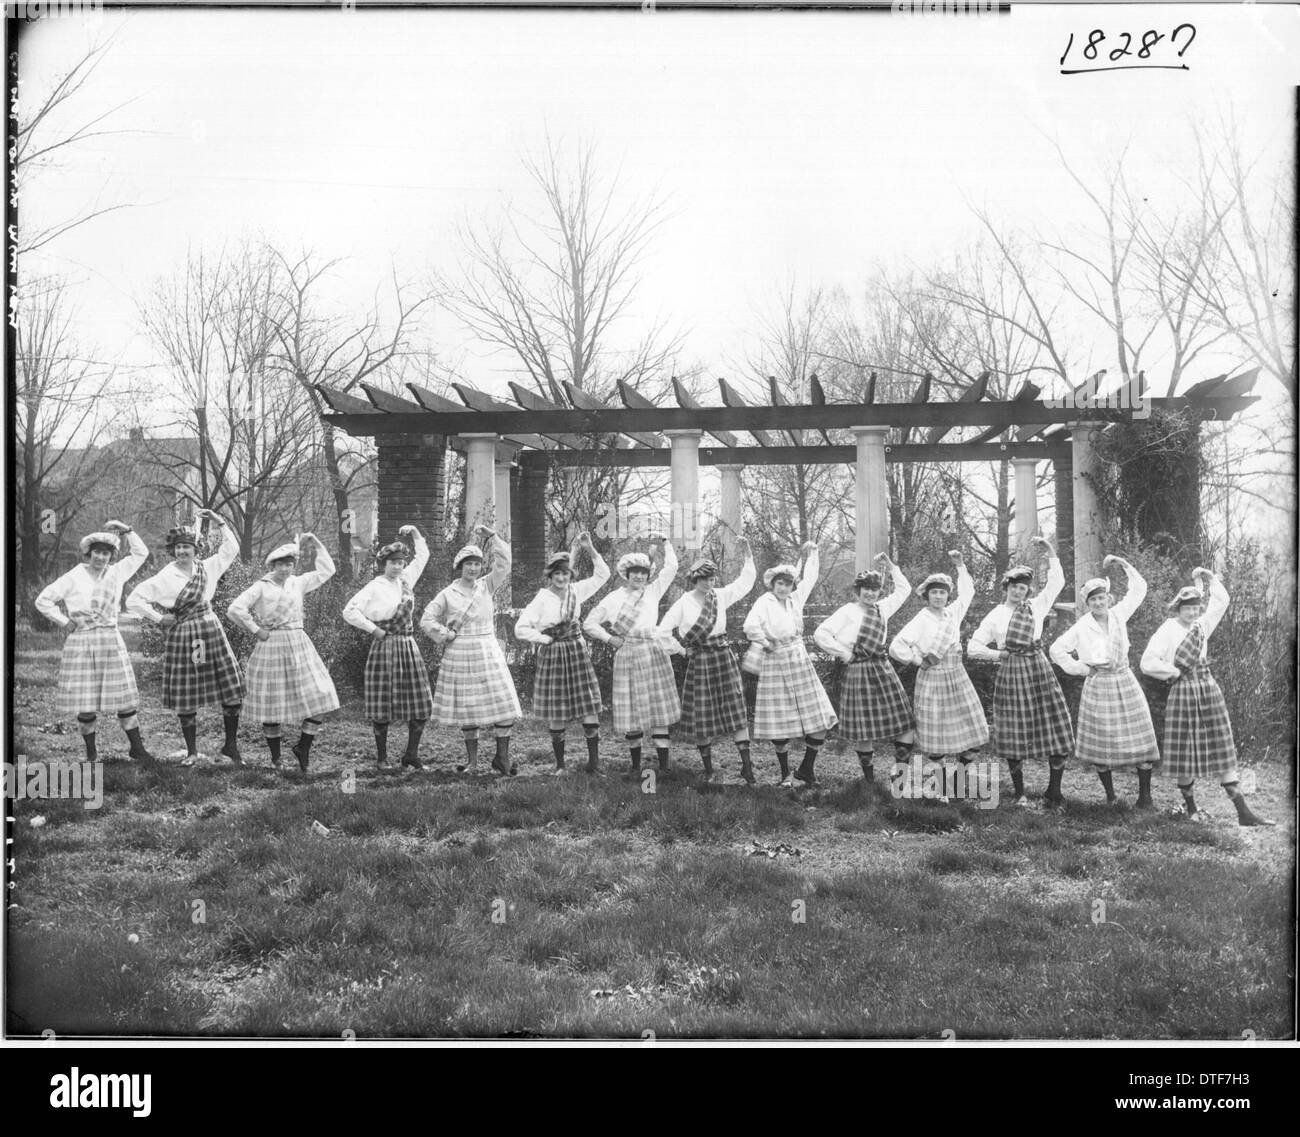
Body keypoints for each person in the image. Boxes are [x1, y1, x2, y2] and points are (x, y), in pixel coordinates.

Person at [1140, 568, 1273, 826]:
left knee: (1221, 746)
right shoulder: (1167, 629)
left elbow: (1222, 601)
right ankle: (1191, 809)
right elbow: (1147, 662)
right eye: (1187, 608)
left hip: (1208, 689)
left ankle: (1243, 812)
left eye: (1196, 608)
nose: (1192, 612)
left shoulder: (1201, 626)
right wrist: (1173, 671)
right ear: (1178, 609)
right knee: (1184, 749)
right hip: (1183, 691)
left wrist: (1210, 578)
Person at [125, 510, 244, 765]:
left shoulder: (208, 567)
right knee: (187, 694)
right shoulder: (166, 576)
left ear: (195, 549)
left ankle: (230, 747)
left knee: (231, 690)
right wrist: (158, 618)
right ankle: (191, 752)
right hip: (184, 634)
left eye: (187, 547)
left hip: (211, 630)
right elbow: (133, 599)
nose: (182, 552)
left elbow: (232, 549)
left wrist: (220, 521)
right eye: (178, 547)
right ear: (173, 550)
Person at [36, 520, 155, 763]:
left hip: (110, 638)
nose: (101, 557)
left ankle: (137, 748)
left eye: (106, 553)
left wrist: (125, 529)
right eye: (97, 552)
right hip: (83, 640)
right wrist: (64, 621)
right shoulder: (73, 576)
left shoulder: (116, 572)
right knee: (86, 699)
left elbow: (141, 553)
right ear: (88, 554)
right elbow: (43, 600)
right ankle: (91, 754)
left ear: (111, 556)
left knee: (124, 697)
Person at [967, 536, 1073, 808]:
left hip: (1038, 669)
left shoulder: (1036, 606)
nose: (1018, 592)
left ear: (1028, 591)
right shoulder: (996, 615)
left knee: (1054, 723)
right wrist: (998, 654)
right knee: (1014, 728)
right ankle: (1020, 793)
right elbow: (973, 647)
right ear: (1006, 588)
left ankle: (1054, 791)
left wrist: (1050, 551)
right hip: (1012, 672)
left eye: (1023, 588)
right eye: (1014, 587)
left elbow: (1057, 582)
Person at [1049, 554, 1159, 807]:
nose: (1098, 603)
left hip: (1124, 679)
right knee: (1102, 743)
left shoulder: (1119, 614)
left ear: (1109, 599)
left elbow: (1139, 589)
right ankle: (1110, 796)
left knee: (1141, 737)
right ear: (1087, 604)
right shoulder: (1081, 626)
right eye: (1093, 600)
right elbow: (1056, 649)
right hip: (1098, 684)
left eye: (1102, 598)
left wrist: (1122, 563)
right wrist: (1081, 669)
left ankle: (1145, 797)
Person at [226, 534, 340, 771]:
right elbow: (235, 609)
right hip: (272, 644)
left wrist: (316, 543)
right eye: (280, 564)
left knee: (321, 695)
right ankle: (276, 758)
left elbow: (327, 571)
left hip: (298, 643)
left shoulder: (298, 583)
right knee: (272, 702)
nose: (285, 569)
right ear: (272, 565)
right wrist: (256, 629)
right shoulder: (261, 586)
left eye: (289, 564)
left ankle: (303, 748)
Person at [421, 525, 521, 777]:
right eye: (468, 564)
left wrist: (493, 537)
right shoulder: (448, 593)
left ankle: (501, 757)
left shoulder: (487, 585)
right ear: (460, 566)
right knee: (469, 708)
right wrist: (445, 634)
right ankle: (472, 762)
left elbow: (505, 562)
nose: (473, 568)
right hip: (460, 652)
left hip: (487, 649)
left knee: (504, 704)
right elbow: (426, 619)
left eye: (477, 564)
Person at [888, 550, 988, 796]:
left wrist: (960, 565)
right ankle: (942, 788)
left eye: (942, 592)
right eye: (934, 592)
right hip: (932, 678)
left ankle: (957, 780)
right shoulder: (921, 619)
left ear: (947, 595)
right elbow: (896, 646)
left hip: (957, 676)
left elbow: (968, 593)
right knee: (936, 738)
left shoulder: (952, 613)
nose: (939, 596)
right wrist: (917, 660)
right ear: (927, 595)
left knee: (975, 733)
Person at [657, 536, 756, 784]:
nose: (709, 583)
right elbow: (662, 632)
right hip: (700, 659)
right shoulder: (683, 602)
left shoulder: (719, 596)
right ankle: (709, 770)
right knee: (703, 714)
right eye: (704, 579)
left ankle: (747, 768)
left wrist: (747, 554)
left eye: (712, 579)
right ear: (694, 579)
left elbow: (745, 583)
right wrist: (682, 651)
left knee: (736, 709)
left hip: (723, 656)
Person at [814, 552, 916, 788]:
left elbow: (904, 589)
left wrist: (891, 566)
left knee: (905, 722)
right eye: (866, 589)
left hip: (882, 668)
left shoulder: (882, 608)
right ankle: (869, 781)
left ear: (879, 591)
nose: (870, 593)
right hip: (858, 670)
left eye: (874, 589)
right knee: (864, 729)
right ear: (857, 590)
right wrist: (844, 654)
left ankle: (900, 775)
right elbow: (821, 633)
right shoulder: (848, 611)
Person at [582, 533, 680, 778]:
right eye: (635, 572)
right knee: (632, 710)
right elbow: (589, 623)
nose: (639, 576)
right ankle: (636, 766)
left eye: (643, 573)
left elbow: (671, 568)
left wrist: (666, 544)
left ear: (648, 575)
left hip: (654, 652)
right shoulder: (614, 598)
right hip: (628, 655)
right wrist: (610, 638)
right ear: (626, 574)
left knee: (659, 710)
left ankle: (664, 767)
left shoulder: (653, 591)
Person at [515, 532, 610, 775]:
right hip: (554, 654)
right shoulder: (542, 598)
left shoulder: (576, 591)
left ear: (570, 575)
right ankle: (560, 766)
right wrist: (543, 638)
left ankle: (594, 764)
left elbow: (603, 575)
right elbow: (520, 628)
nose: (561, 578)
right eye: (557, 573)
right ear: (550, 575)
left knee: (588, 705)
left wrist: (590, 548)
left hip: (576, 651)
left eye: (565, 573)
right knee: (557, 709)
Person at [744, 541, 838, 786]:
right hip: (775, 660)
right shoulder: (765, 601)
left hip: (798, 659)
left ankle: (806, 770)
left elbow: (810, 577)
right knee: (780, 723)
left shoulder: (796, 599)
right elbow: (750, 626)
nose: (784, 588)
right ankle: (785, 774)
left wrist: (813, 553)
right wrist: (765, 642)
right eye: (780, 583)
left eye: (788, 584)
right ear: (773, 584)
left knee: (820, 716)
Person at [341, 525, 433, 770]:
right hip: (384, 647)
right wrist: (373, 629)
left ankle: (411, 755)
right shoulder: (375, 586)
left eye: (401, 562)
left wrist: (415, 533)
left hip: (408, 645)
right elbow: (349, 611)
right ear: (383, 564)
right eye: (393, 562)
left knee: (421, 702)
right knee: (382, 704)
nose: (397, 567)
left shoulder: (406, 581)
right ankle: (382, 759)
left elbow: (423, 556)